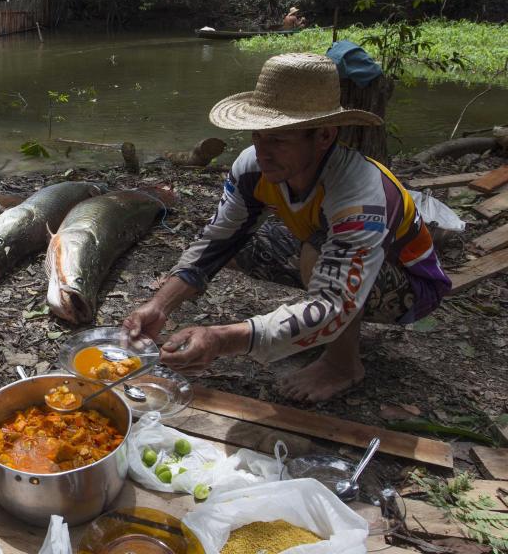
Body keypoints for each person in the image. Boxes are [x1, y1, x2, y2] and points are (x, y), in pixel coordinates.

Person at [124, 53, 450, 403]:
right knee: (238, 245)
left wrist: (222, 339)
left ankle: (343, 365)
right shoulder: (252, 168)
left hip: (408, 286)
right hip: (331, 251)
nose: (263, 152)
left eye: (279, 140)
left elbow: (334, 302)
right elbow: (218, 238)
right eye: (259, 136)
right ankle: (308, 324)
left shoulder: (360, 192)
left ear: (324, 135)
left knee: (316, 253)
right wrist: (160, 305)